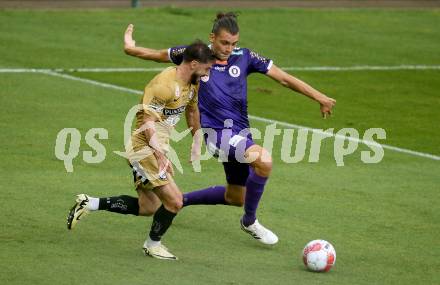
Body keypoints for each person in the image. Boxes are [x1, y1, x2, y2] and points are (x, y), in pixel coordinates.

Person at [122, 12, 336, 245]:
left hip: (241, 133)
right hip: (216, 134)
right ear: (212, 37)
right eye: (224, 42)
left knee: (235, 197)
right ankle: (250, 221)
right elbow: (159, 55)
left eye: (234, 43)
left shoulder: (244, 57)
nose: (228, 48)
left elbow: (283, 78)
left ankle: (179, 199)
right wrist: (130, 48)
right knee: (263, 161)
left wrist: (319, 97)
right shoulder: (197, 55)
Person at [67, 40, 215, 260]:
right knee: (174, 201)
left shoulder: (193, 82)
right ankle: (152, 245)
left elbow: (192, 110)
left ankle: (90, 203)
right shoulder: (164, 85)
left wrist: (196, 139)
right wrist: (159, 155)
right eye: (207, 68)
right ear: (194, 63)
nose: (208, 73)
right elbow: (147, 123)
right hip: (143, 147)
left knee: (148, 206)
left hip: (156, 147)